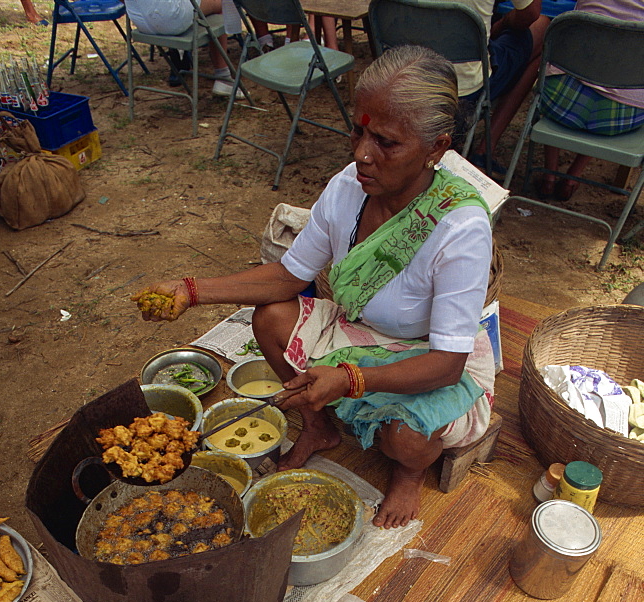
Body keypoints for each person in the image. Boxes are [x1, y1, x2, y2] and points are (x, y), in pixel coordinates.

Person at [133, 46, 495, 529]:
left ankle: (409, 475)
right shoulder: (349, 186)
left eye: (386, 142)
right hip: (361, 329)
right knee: (272, 317)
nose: (362, 153)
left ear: (436, 149)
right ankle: (320, 427)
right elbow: (288, 276)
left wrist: (350, 379)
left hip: (427, 355)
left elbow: (447, 366)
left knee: (405, 439)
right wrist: (192, 289)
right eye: (358, 130)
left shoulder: (460, 227)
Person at [538, 0, 644, 200]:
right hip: (621, 119)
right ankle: (572, 178)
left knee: (556, 64)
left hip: (560, 104)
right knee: (612, 81)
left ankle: (549, 175)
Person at [452, 0, 550, 173]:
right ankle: (484, 151)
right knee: (542, 27)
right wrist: (503, 23)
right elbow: (530, 14)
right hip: (465, 87)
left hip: (404, 73)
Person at [124, 0, 238, 96]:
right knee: (223, 2)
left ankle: (181, 54)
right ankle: (224, 77)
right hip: (172, 19)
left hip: (141, 23)